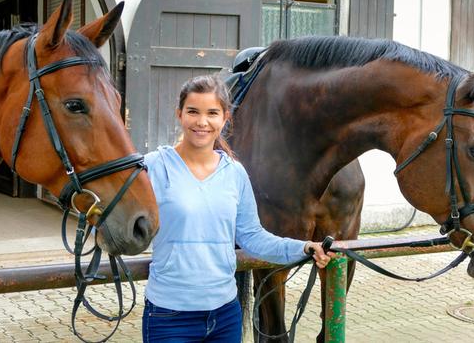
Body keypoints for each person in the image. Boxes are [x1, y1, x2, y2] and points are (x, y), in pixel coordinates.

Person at [142, 74, 334, 342]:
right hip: (169, 317)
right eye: (193, 112)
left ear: (225, 118)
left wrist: (302, 247)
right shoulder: (153, 167)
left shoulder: (234, 173)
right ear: (180, 114)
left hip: (225, 316)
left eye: (212, 113)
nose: (202, 122)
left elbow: (252, 237)